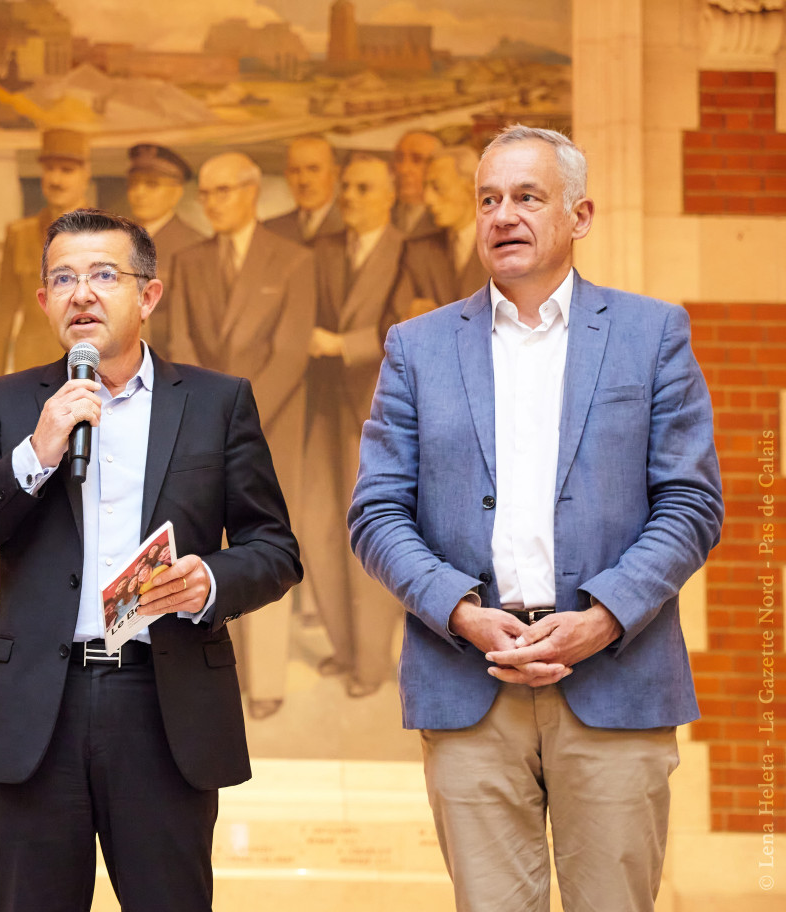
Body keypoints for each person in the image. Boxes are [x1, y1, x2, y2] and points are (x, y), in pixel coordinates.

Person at [348, 125, 723, 911]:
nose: (503, 215)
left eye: (527, 197)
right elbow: (377, 512)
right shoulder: (415, 348)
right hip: (467, 679)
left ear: (580, 216)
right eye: (489, 199)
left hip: (616, 681)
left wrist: (603, 616)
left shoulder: (652, 334)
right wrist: (461, 612)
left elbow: (691, 505)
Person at [0, 208, 300, 912]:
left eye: (102, 275)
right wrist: (35, 454)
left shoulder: (217, 403)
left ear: (148, 296)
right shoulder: (5, 406)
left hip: (164, 701)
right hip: (40, 707)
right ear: (43, 303)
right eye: (62, 278)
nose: (81, 293)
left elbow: (275, 548)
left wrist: (209, 580)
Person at [167, 152, 315, 719]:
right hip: (200, 432)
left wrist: (235, 419)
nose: (212, 203)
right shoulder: (188, 260)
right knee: (199, 549)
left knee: (265, 547)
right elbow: (180, 344)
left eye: (222, 190)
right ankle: (212, 676)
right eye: (204, 193)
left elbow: (290, 354)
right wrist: (208, 419)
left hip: (271, 427)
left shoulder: (294, 261)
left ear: (253, 191)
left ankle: (268, 682)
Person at [303, 153, 408, 698]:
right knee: (320, 530)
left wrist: (342, 345)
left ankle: (370, 666)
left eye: (364, 187)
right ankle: (345, 652)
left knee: (373, 532)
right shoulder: (322, 251)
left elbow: (412, 322)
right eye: (345, 185)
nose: (350, 195)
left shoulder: (407, 251)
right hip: (321, 408)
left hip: (379, 411)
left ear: (391, 195)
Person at [0, 128, 91, 379]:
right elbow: (1, 318)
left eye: (67, 171)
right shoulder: (20, 235)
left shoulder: (109, 235)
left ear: (86, 175)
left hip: (93, 372)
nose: (56, 180)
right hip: (32, 370)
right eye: (49, 169)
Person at [395, 144, 490, 319]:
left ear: (472, 188)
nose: (428, 199)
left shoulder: (512, 247)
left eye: (437, 187)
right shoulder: (417, 252)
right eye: (426, 188)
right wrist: (408, 316)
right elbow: (389, 322)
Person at [125, 142, 203, 353]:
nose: (139, 193)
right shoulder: (117, 239)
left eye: (152, 185)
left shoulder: (195, 245)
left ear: (177, 192)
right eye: (134, 184)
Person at [263, 135, 343, 245]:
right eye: (295, 171)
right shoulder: (270, 230)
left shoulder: (352, 226)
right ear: (287, 176)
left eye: (313, 169)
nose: (303, 181)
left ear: (334, 174)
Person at [390, 130, 442, 239]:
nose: (403, 169)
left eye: (417, 160)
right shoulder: (383, 211)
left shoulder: (446, 218)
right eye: (399, 159)